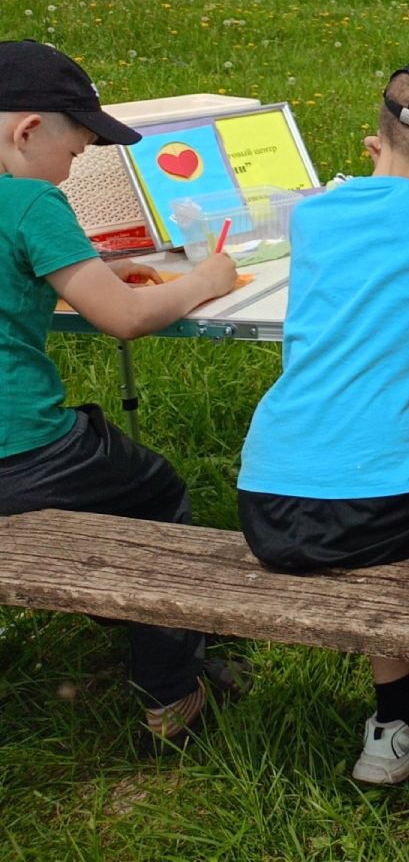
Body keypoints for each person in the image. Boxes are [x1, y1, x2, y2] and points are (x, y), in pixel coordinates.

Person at [236, 49, 409, 786]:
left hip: (264, 497)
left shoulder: (315, 216)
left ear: (378, 140)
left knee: (380, 469)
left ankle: (397, 712)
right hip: (378, 507)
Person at [0, 39, 244, 752]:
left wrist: (90, 266)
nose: (71, 170)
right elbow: (127, 318)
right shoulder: (29, 199)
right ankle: (174, 692)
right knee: (155, 493)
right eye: (75, 153)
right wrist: (205, 280)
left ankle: (121, 611)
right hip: (19, 450)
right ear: (27, 132)